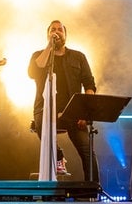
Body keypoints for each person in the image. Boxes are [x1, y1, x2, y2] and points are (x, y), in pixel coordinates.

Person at [28, 20, 99, 182]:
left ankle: (93, 191)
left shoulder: (78, 57)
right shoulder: (39, 55)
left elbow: (89, 84)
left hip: (73, 111)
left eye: (60, 30)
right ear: (48, 35)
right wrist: (49, 47)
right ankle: (59, 156)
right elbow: (33, 72)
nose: (56, 32)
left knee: (87, 150)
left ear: (65, 35)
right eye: (53, 30)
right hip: (45, 109)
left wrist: (85, 112)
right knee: (40, 124)